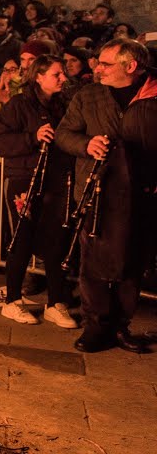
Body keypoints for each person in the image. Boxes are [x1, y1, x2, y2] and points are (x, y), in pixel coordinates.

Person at [55, 38, 157, 353]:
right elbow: (63, 134)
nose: (98, 68)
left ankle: (121, 325)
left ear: (131, 66)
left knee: (132, 261)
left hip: (141, 194)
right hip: (97, 193)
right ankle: (96, 326)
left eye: (106, 63)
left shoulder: (153, 96)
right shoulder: (89, 96)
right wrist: (86, 145)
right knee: (93, 263)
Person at [0, 55, 77, 328]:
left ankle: (55, 302)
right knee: (21, 240)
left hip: (56, 181)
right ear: (38, 76)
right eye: (56, 74)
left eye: (63, 73)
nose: (63, 78)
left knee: (56, 241)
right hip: (24, 180)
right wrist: (31, 138)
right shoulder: (19, 105)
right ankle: (12, 300)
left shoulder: (64, 105)